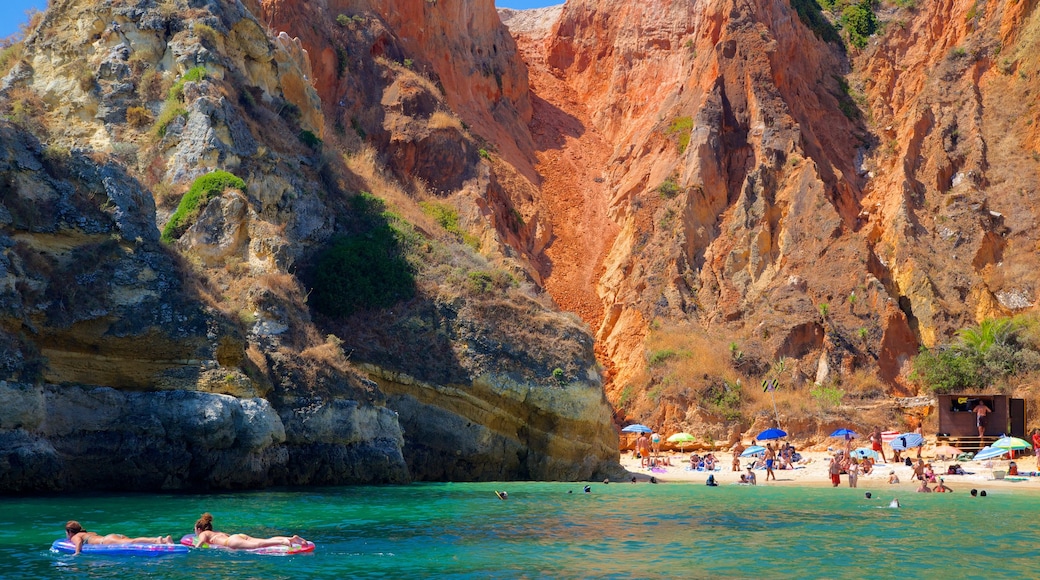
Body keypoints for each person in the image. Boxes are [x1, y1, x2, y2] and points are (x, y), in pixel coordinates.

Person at [192, 513, 307, 550]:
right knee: (263, 541)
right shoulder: (216, 532)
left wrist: (193, 549)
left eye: (195, 530)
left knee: (258, 545)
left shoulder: (203, 533)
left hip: (231, 542)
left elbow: (200, 543)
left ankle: (284, 543)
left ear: (199, 529)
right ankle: (290, 538)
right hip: (238, 536)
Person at [64, 521, 173, 555]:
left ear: (69, 532)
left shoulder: (76, 536)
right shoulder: (87, 533)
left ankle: (157, 540)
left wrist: (76, 554)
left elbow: (78, 543)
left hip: (106, 541)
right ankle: (163, 540)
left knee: (133, 542)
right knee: (133, 542)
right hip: (112, 536)